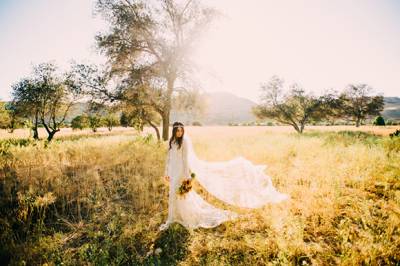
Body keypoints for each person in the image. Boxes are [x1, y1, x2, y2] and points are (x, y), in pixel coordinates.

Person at [159, 121, 289, 231]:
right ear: (174, 131)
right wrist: (166, 173)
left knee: (181, 195)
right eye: (178, 131)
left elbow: (185, 159)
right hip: (173, 171)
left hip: (181, 171)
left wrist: (187, 176)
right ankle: (173, 218)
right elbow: (169, 158)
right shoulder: (171, 142)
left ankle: (184, 217)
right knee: (173, 194)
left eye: (182, 131)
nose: (180, 133)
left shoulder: (184, 142)